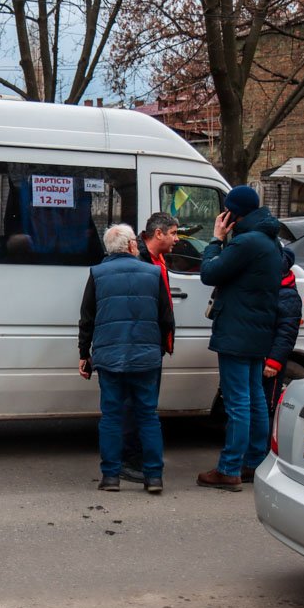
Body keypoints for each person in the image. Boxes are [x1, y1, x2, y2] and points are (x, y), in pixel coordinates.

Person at [196, 185, 282, 492]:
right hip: (259, 330)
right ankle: (255, 460)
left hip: (236, 331)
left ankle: (230, 468)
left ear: (233, 212)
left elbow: (209, 272)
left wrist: (216, 240)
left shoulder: (246, 242)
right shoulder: (272, 239)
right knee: (255, 398)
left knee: (238, 402)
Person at [78, 224, 174, 494]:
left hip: (109, 356)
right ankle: (153, 477)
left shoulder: (97, 273)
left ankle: (110, 477)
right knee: (147, 416)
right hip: (146, 357)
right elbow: (166, 318)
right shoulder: (153, 273)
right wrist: (159, 348)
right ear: (132, 245)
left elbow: (87, 318)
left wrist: (84, 354)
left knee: (111, 416)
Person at [121, 212, 178, 484]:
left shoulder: (157, 259)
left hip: (153, 341)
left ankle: (138, 455)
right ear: (159, 234)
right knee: (137, 405)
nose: (177, 239)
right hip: (142, 342)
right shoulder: (140, 261)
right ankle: (130, 459)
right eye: (174, 233)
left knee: (143, 404)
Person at [258, 245, 301, 439]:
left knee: (268, 406)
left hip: (271, 362)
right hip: (261, 355)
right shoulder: (272, 288)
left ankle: (265, 449)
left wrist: (274, 361)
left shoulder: (287, 294)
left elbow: (287, 333)